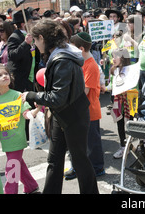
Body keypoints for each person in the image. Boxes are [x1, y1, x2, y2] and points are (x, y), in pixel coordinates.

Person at [21, 19, 98, 194]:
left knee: (80, 161)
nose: (35, 44)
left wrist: (31, 95)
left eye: (35, 40)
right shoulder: (60, 54)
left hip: (74, 116)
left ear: (42, 38)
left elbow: (57, 97)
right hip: (62, 115)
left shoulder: (62, 58)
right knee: (54, 160)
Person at [0, 64, 40, 194]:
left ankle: (10, 191)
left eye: (6, 74)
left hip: (17, 139)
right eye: (0, 75)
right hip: (5, 140)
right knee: (17, 164)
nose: (5, 76)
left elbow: (26, 114)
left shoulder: (17, 95)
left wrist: (37, 109)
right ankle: (31, 186)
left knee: (11, 168)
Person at [66, 32, 105, 179]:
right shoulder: (80, 62)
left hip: (89, 110)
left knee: (91, 142)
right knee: (78, 142)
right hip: (79, 109)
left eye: (72, 48)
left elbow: (84, 90)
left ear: (81, 49)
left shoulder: (91, 66)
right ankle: (78, 167)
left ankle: (97, 167)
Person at [7, 9, 40, 93]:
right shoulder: (14, 37)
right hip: (21, 77)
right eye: (30, 21)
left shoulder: (31, 34)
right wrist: (25, 43)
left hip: (31, 74)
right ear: (23, 24)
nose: (32, 23)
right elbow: (12, 55)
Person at [109, 48, 133, 159]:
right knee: (119, 124)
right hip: (117, 101)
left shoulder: (131, 70)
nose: (113, 59)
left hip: (129, 101)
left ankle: (130, 144)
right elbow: (111, 85)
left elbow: (134, 87)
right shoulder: (114, 70)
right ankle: (123, 147)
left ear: (123, 58)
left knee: (131, 123)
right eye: (112, 57)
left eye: (115, 57)